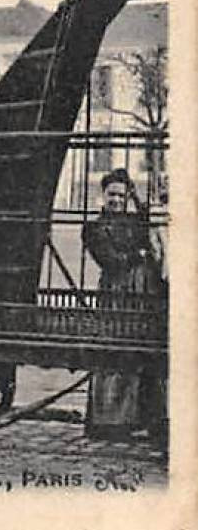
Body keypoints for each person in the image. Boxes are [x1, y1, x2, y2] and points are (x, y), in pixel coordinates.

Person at [83, 169, 167, 442]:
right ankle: (110, 422)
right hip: (116, 295)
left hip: (142, 295)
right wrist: (139, 254)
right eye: (112, 195)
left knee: (142, 354)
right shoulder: (94, 227)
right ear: (103, 196)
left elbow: (151, 220)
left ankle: (144, 419)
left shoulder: (134, 220)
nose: (117, 200)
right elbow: (110, 260)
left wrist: (137, 196)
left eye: (122, 194)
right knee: (114, 354)